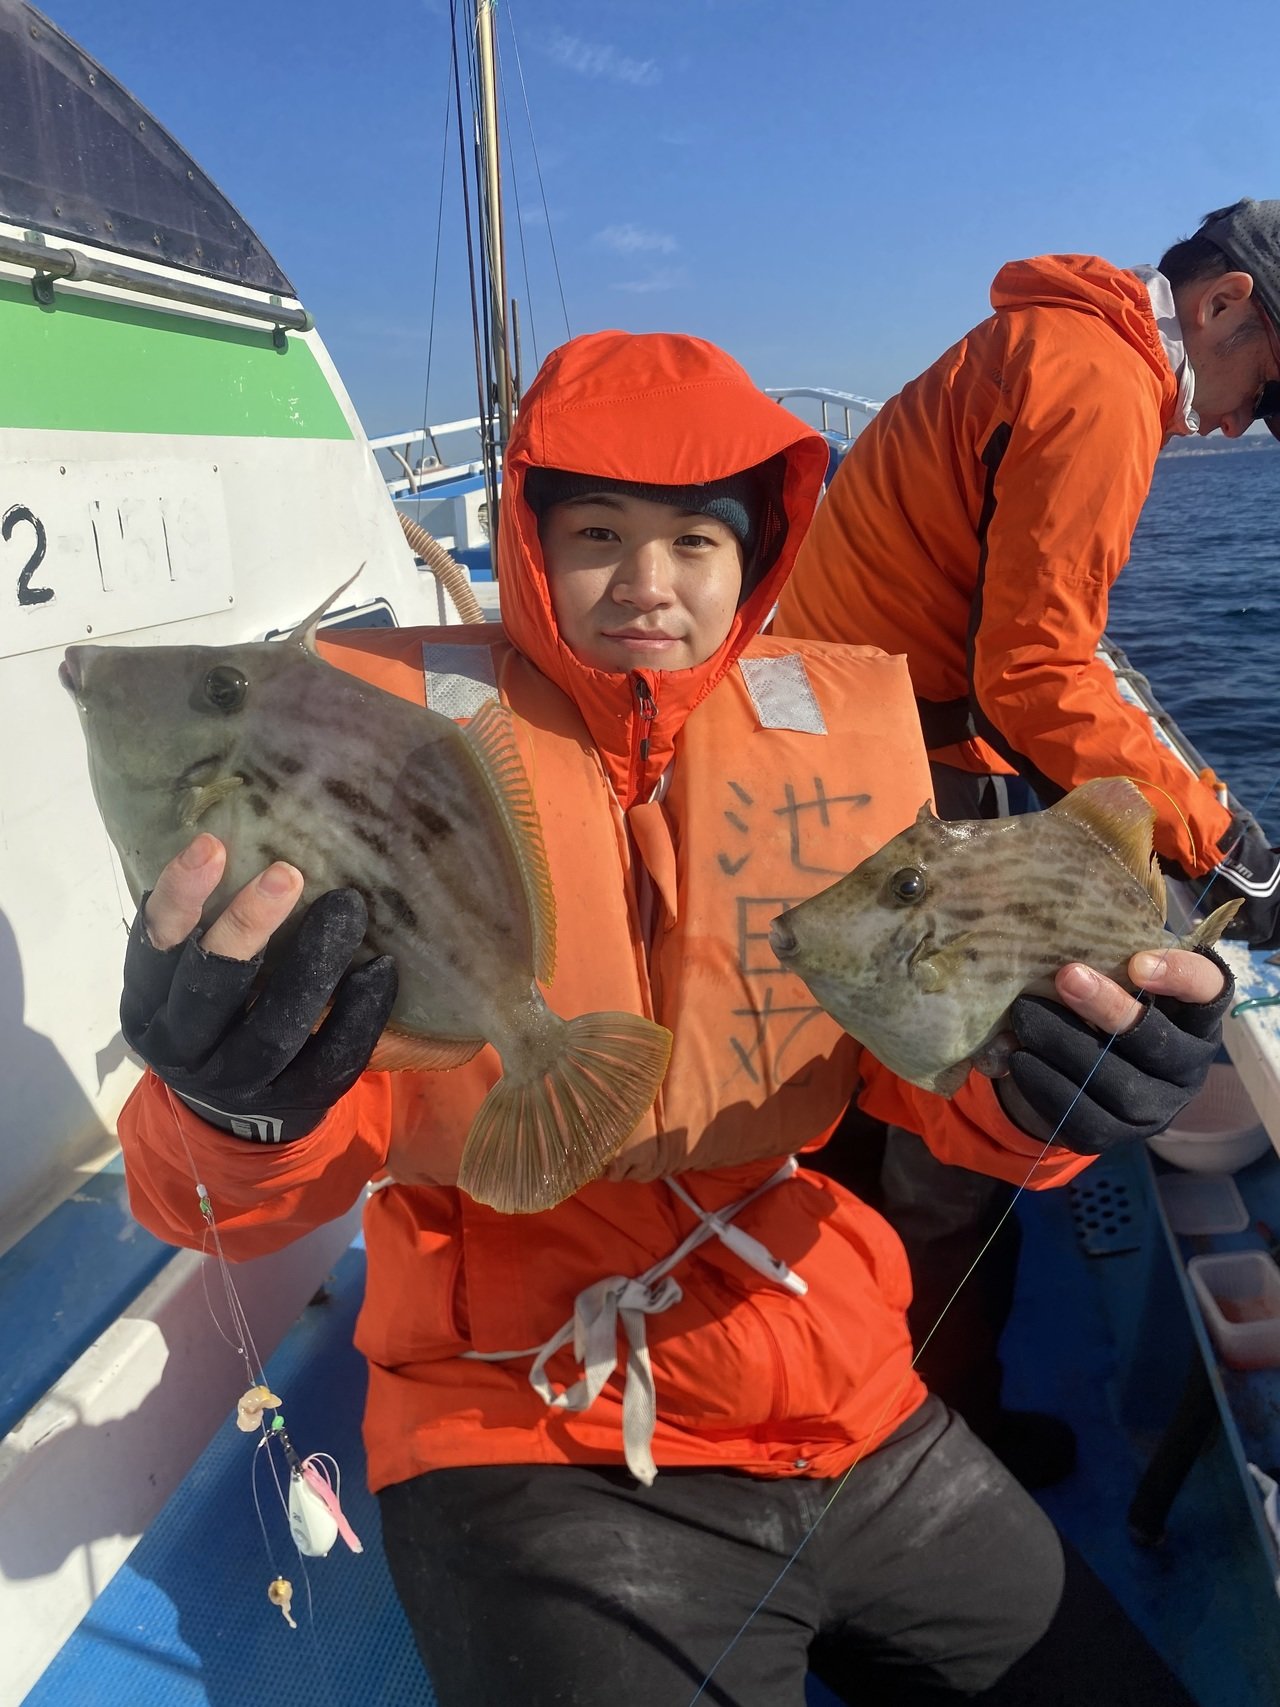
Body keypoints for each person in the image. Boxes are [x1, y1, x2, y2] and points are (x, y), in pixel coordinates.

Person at [114, 330, 1227, 1705]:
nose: (649, 582)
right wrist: (230, 1103)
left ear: (756, 558)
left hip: (835, 1385)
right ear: (529, 544)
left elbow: (921, 1080)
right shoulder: (382, 773)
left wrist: (1058, 1089)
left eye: (697, 540)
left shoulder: (833, 740)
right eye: (598, 534)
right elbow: (234, 1184)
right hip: (522, 1419)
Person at [771, 196, 1280, 1488]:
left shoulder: (1048, 342)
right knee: (956, 1145)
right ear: (1224, 304)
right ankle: (937, 1440)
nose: (1243, 425)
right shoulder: (1104, 381)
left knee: (850, 1102)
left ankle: (827, 1364)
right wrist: (1222, 839)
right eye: (1268, 388)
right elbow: (1036, 669)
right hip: (906, 769)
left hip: (841, 750)